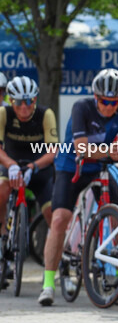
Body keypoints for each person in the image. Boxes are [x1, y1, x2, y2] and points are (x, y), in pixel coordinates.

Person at [40, 69, 118, 306]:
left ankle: (116, 279)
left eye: (114, 102)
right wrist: (113, 152)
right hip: (72, 165)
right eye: (104, 101)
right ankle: (48, 284)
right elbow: (81, 149)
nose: (109, 106)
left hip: (101, 165)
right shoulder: (81, 107)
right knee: (60, 218)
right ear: (95, 97)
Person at [0, 77, 58, 246]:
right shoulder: (4, 114)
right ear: (10, 101)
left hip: (39, 168)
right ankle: (2, 236)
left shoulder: (45, 114)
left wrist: (34, 166)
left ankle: (60, 261)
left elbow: (53, 150)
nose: (24, 107)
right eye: (18, 102)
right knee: (1, 192)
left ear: (35, 99)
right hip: (12, 166)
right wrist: (11, 165)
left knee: (53, 215)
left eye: (28, 101)